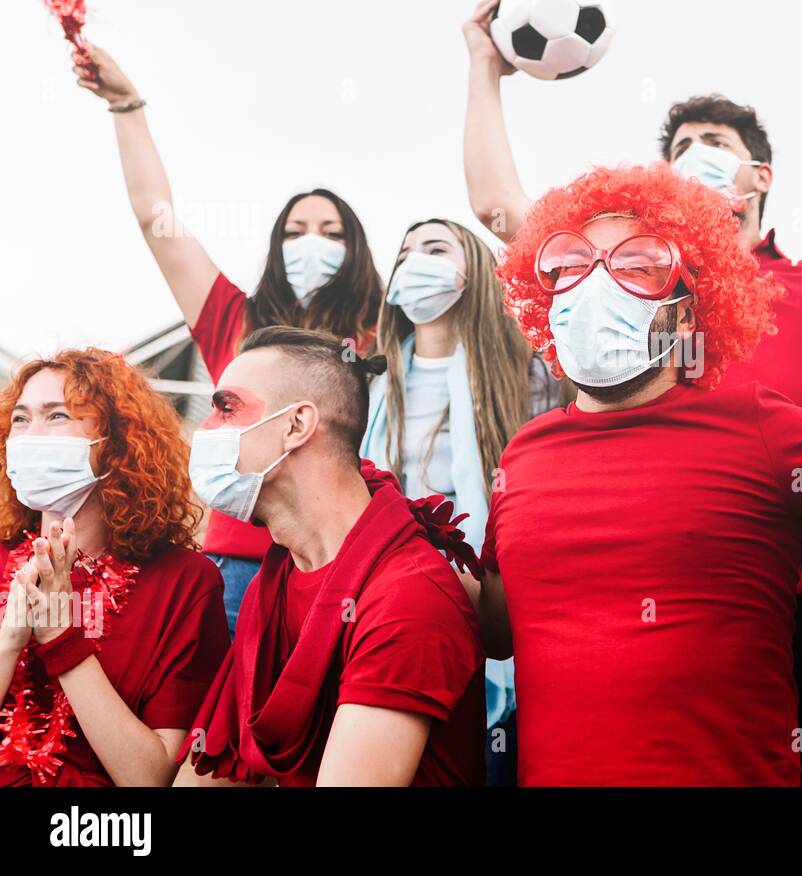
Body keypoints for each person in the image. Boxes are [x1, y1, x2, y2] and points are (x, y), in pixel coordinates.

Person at [462, 0, 802, 787]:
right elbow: (495, 625)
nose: (596, 284)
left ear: (685, 303)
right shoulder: (522, 456)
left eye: (634, 264)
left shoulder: (761, 425)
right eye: (570, 264)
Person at [73, 45, 385, 638]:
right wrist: (126, 105)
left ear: (356, 249)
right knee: (219, 728)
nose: (310, 243)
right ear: (274, 245)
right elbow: (154, 217)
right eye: (295, 231)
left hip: (349, 559)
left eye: (330, 232)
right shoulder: (232, 322)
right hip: (238, 567)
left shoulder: (384, 335)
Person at [177, 326, 484, 786]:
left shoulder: (408, 597)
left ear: (297, 425)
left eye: (227, 408)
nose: (205, 429)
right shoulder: (280, 575)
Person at [360, 217, 571, 785]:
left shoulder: (528, 375)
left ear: (473, 269)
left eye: (434, 248)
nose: (415, 262)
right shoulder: (374, 382)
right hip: (393, 593)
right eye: (404, 253)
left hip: (492, 590)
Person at [0, 349, 228, 786]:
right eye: (21, 419)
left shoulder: (185, 583)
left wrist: (61, 639)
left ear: (115, 443)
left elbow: (150, 779)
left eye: (57, 415)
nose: (31, 436)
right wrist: (10, 641)